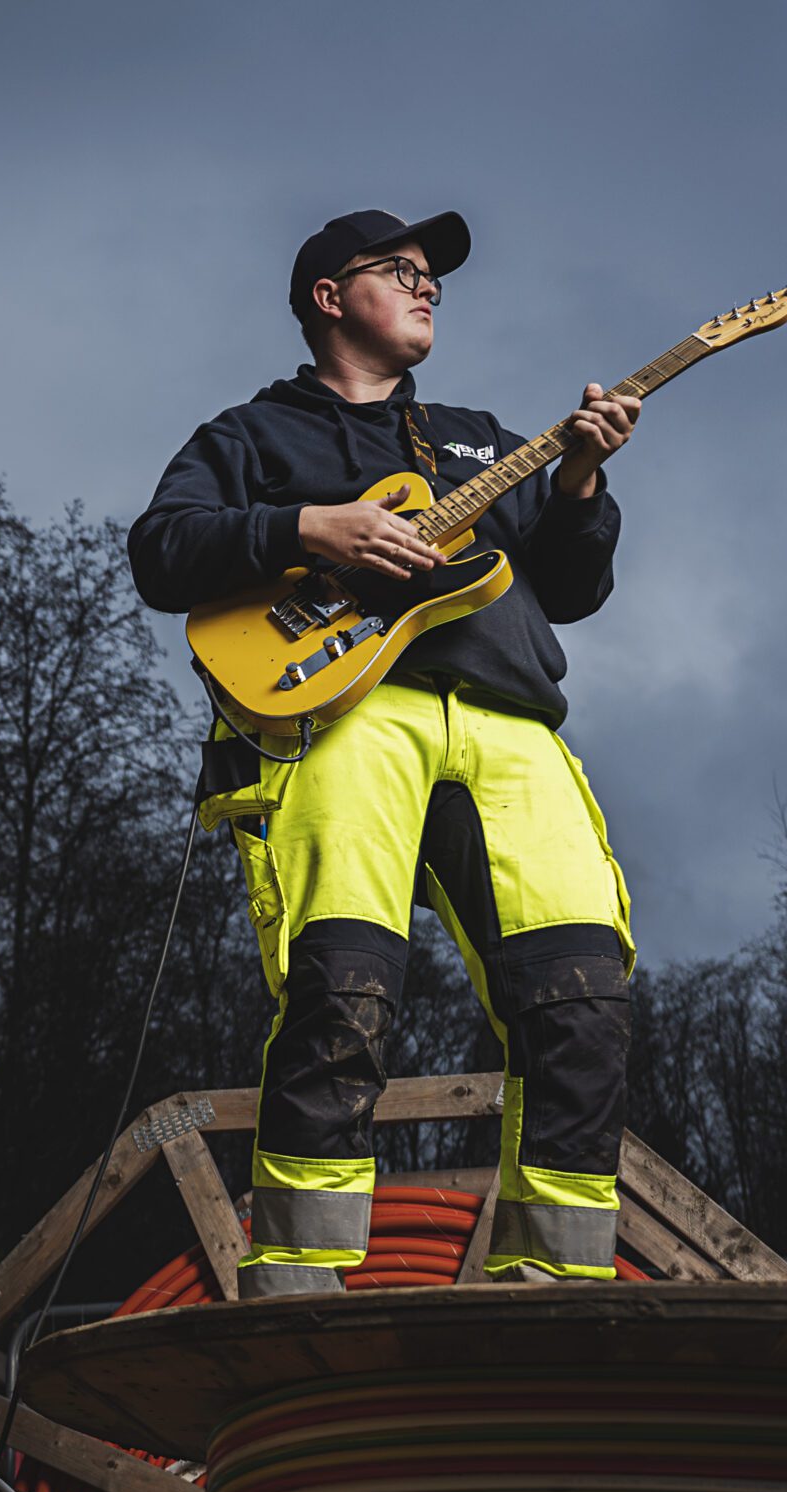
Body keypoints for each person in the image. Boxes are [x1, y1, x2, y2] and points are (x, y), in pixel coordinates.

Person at [128, 207, 642, 1294]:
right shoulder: (249, 435)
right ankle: (297, 1283)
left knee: (584, 990)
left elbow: (576, 589)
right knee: (342, 987)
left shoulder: (477, 435)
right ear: (329, 296)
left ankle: (552, 1283)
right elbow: (162, 549)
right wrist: (308, 528)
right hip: (342, 720)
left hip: (509, 723)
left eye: (433, 280)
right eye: (400, 271)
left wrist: (581, 482)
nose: (427, 289)